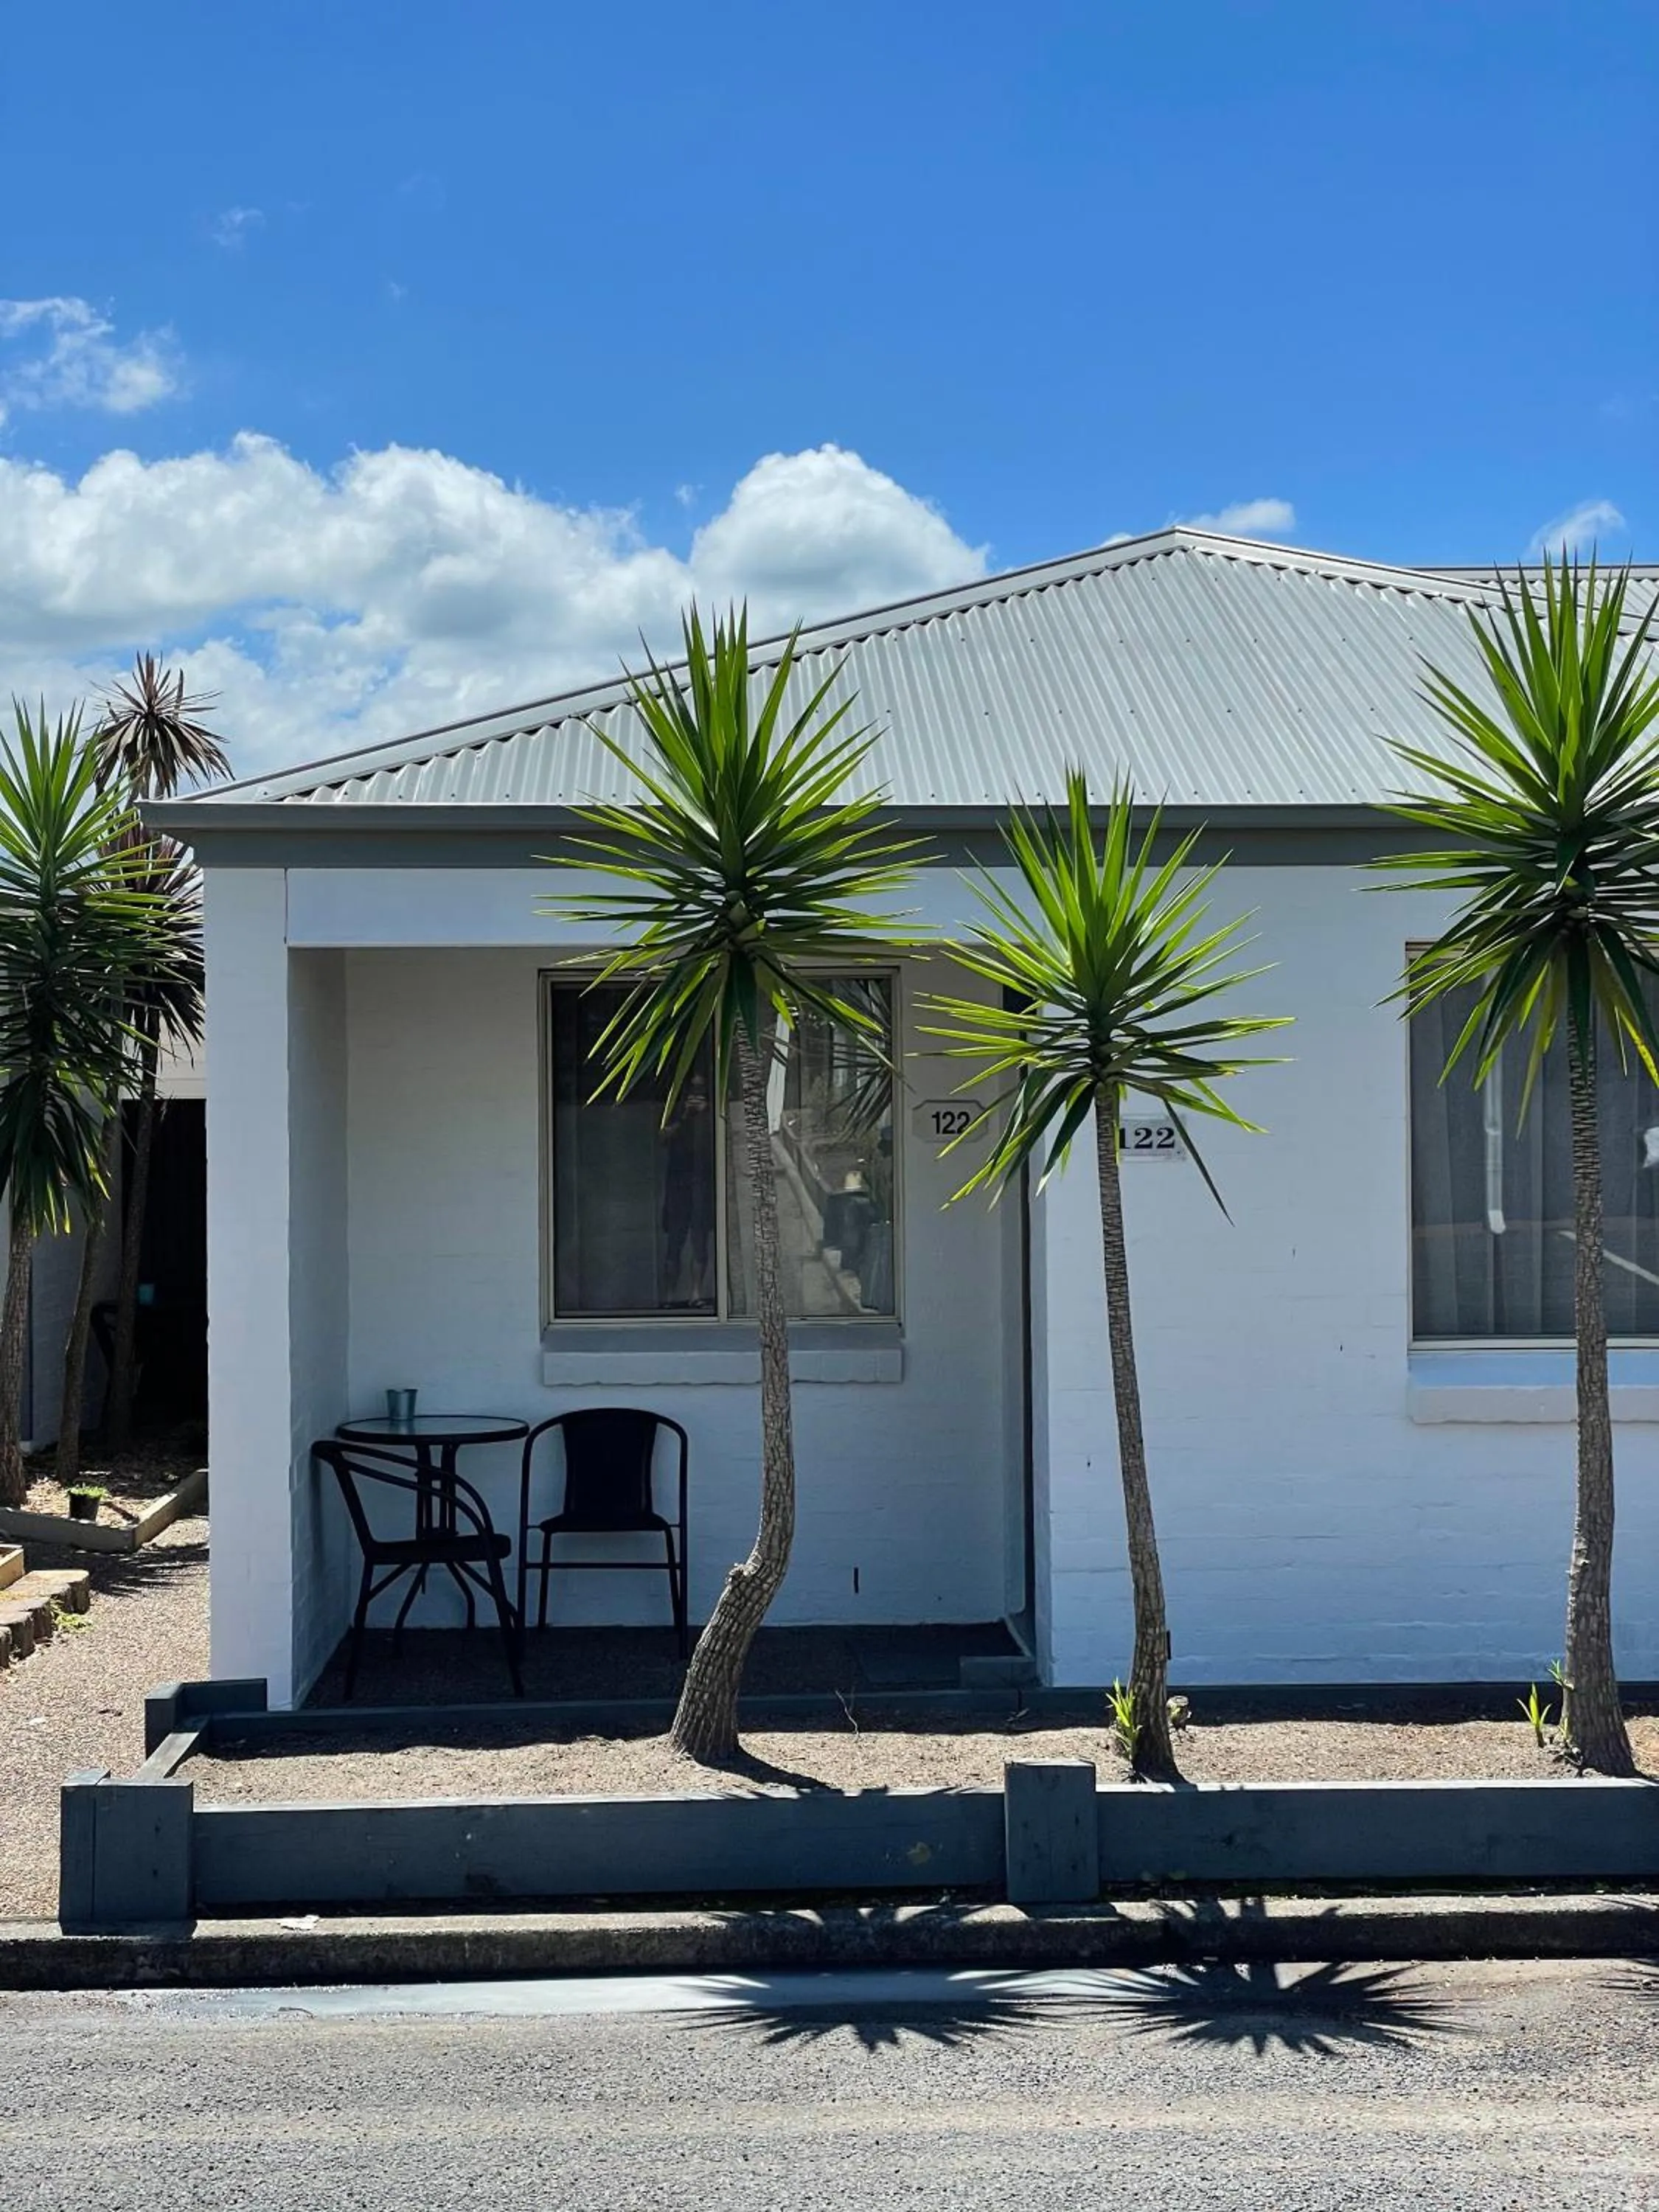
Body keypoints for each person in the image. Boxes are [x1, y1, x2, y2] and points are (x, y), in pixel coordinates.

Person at [661, 1069, 716, 1308]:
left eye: (700, 1091)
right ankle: (669, 1296)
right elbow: (663, 1138)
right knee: (674, 1241)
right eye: (692, 1091)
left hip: (702, 1181)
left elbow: (720, 1141)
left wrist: (706, 1113)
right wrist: (684, 1116)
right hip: (678, 1182)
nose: (696, 1095)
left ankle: (697, 1293)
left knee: (700, 1240)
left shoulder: (711, 1114)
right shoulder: (674, 1111)